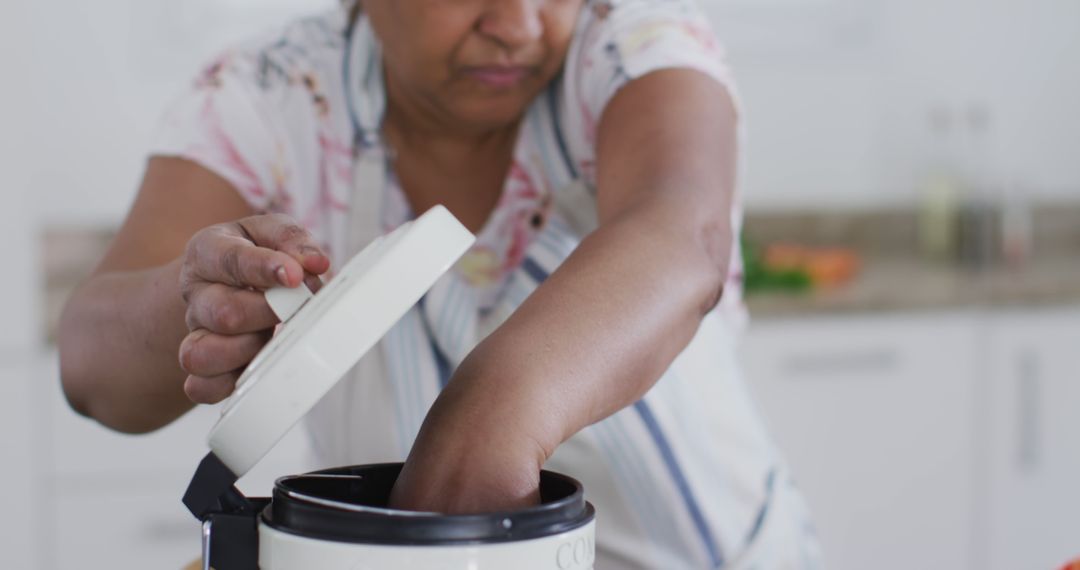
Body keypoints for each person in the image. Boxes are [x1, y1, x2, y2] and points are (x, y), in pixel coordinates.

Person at [58, 0, 821, 567]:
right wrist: (190, 296)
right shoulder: (270, 91)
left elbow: (681, 233)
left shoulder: (629, 43)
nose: (519, 25)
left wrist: (491, 413)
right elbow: (92, 372)